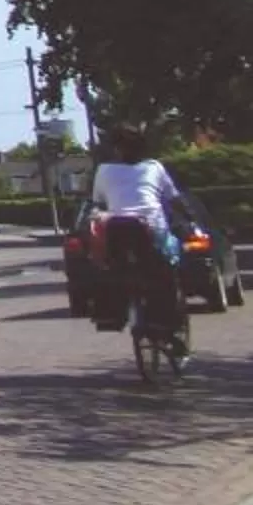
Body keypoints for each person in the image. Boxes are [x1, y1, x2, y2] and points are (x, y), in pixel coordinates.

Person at [90, 130, 193, 348]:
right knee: (167, 273)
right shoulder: (154, 167)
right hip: (151, 230)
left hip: (116, 230)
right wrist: (190, 218)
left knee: (113, 270)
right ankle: (169, 327)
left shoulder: (104, 170)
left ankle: (113, 312)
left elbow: (98, 202)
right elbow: (174, 198)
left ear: (116, 150)